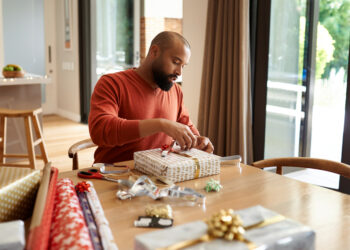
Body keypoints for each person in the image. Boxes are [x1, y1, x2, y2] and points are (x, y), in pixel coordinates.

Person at [88, 31, 214, 163]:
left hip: (159, 176)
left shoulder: (175, 90)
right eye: (175, 62)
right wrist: (161, 124)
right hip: (113, 174)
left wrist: (197, 140)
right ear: (154, 52)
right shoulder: (112, 83)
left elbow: (186, 126)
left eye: (183, 66)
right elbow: (100, 131)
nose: (179, 72)